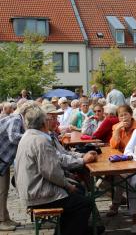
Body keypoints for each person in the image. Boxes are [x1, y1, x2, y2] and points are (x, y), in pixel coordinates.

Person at [14, 105, 92, 235]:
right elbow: (51, 172)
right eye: (52, 118)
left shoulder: (28, 136)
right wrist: (67, 185)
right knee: (84, 203)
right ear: (44, 122)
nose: (55, 121)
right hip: (38, 194)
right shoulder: (40, 140)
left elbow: (53, 166)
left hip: (31, 190)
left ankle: (74, 229)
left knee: (77, 195)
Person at [0, 101, 30, 231]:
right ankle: (2, 221)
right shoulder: (17, 119)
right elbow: (13, 137)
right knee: (1, 191)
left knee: (4, 190)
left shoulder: (18, 119)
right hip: (1, 159)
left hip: (3, 159)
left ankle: (5, 218)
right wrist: (30, 136)